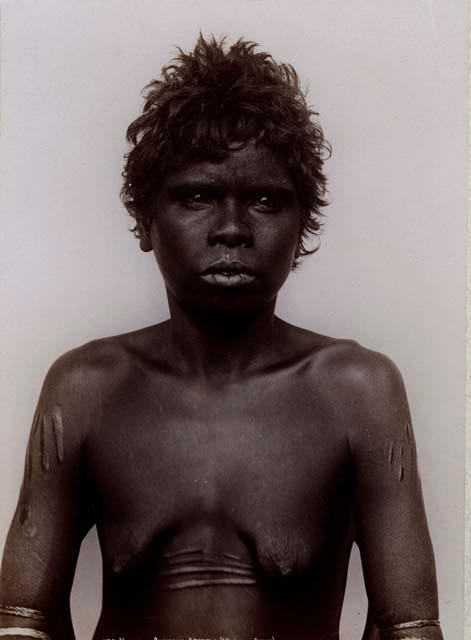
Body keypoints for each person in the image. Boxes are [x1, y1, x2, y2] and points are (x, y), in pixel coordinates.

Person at [0, 35, 443, 640]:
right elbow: (22, 623)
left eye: (264, 199)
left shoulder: (357, 392)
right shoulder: (85, 390)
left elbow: (408, 628)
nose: (232, 229)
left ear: (300, 223)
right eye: (198, 197)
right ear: (145, 221)